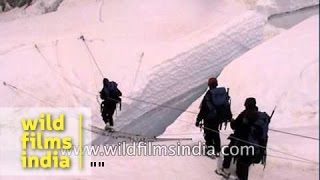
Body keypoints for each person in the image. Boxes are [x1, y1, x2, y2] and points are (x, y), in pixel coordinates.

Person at [216, 97, 259, 180]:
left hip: (240, 139)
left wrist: (232, 121)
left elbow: (235, 125)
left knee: (228, 151)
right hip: (252, 142)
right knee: (244, 160)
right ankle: (241, 175)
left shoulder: (245, 114)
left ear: (246, 105)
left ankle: (225, 168)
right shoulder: (258, 114)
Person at [195, 77, 232, 157]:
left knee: (208, 134)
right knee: (215, 132)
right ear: (216, 84)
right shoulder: (222, 93)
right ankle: (217, 150)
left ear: (209, 85)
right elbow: (226, 105)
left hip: (209, 118)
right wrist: (229, 116)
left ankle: (210, 150)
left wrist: (198, 120)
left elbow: (203, 109)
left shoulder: (208, 95)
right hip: (219, 118)